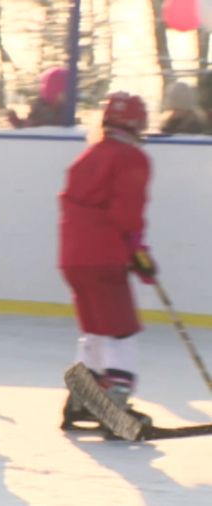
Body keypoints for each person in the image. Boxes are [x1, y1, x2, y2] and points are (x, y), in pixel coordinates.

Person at [58, 91, 155, 434]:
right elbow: (126, 215)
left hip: (73, 259)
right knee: (121, 330)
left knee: (96, 329)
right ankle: (114, 404)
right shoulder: (131, 158)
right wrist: (139, 254)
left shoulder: (87, 157)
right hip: (104, 256)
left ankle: (83, 398)